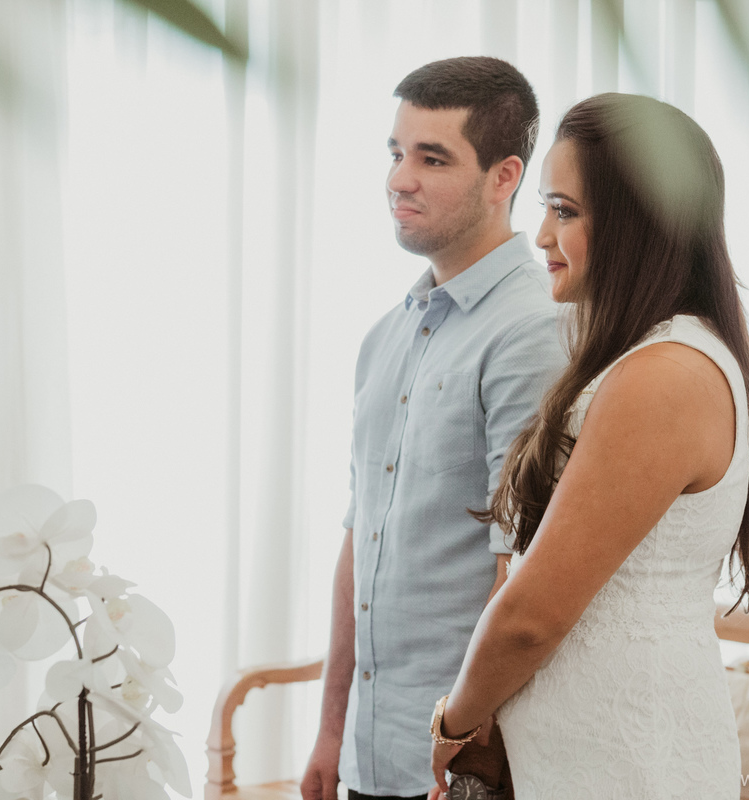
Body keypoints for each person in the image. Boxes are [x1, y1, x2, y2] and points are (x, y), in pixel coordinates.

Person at [428, 93, 749, 799]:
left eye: (564, 211)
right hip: (593, 749)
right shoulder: (651, 360)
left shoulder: (664, 375)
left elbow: (533, 616)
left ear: (638, 222)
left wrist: (452, 722)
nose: (540, 236)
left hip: (626, 761)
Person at [301, 57, 567, 800]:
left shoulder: (533, 330)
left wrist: (468, 747)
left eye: (432, 158)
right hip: (372, 755)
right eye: (395, 153)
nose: (399, 179)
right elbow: (360, 541)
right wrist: (331, 730)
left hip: (462, 764)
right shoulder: (384, 337)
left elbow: (521, 567)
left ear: (504, 177)